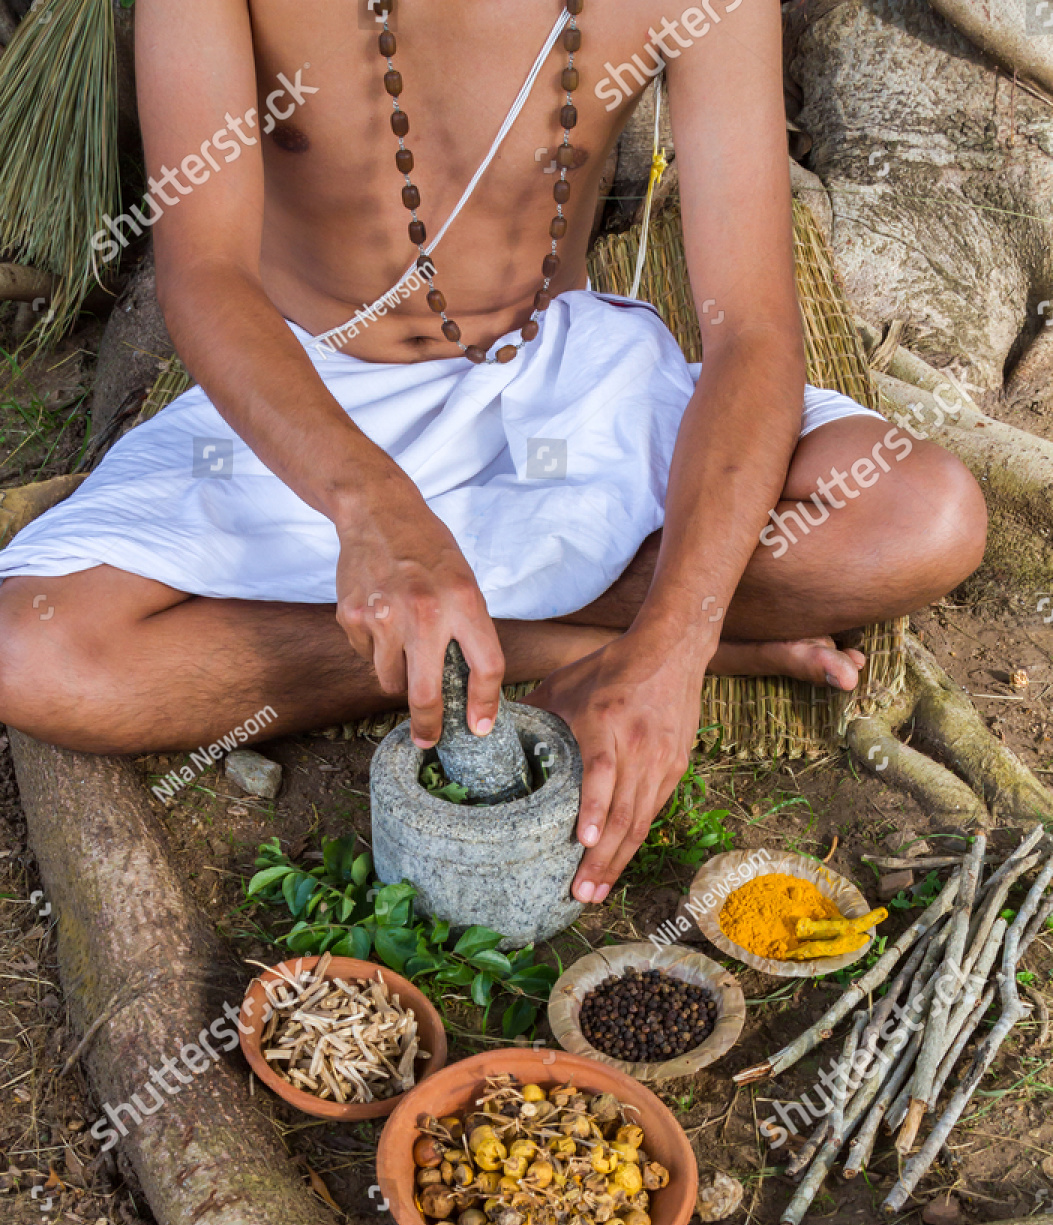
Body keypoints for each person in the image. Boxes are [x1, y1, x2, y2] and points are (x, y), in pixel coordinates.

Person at [0, 0, 987, 905]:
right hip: (305, 390)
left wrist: (676, 645)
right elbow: (206, 277)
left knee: (920, 514)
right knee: (32, 651)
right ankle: (571, 638)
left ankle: (564, 636)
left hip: (561, 384)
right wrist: (375, 515)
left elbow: (753, 334)